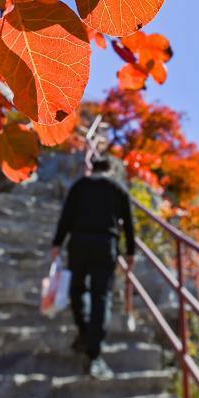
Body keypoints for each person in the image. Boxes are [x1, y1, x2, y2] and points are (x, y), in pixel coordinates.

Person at [50, 156, 136, 379]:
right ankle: (94, 353)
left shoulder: (79, 186)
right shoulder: (118, 188)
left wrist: (57, 242)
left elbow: (66, 215)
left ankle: (84, 331)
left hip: (78, 244)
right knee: (101, 298)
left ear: (91, 168)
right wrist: (131, 252)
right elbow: (128, 221)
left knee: (76, 290)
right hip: (105, 246)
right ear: (110, 170)